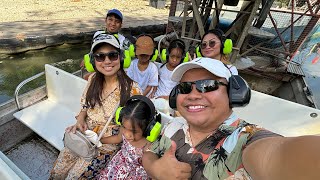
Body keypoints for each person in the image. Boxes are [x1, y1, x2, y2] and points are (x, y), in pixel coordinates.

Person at [142, 57, 320, 179]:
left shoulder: (246, 139)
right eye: (184, 88)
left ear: (233, 93)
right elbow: (149, 152)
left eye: (207, 85)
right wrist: (155, 168)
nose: (193, 95)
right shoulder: (174, 125)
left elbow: (276, 157)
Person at [50, 34, 141, 179]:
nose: (107, 61)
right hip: (82, 135)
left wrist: (98, 140)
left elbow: (125, 135)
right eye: (100, 56)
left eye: (112, 55)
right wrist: (79, 121)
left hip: (104, 145)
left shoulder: (132, 90)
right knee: (57, 172)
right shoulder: (93, 79)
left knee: (74, 177)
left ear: (121, 57)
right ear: (94, 60)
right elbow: (85, 107)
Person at [98, 95, 159, 179]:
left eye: (134, 131)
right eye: (124, 127)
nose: (126, 134)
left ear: (148, 129)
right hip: (116, 167)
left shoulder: (148, 146)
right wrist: (99, 141)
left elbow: (152, 169)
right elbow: (117, 138)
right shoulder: (124, 129)